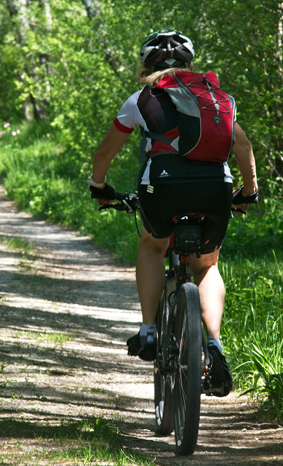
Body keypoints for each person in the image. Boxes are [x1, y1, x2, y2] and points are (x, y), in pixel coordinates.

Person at [88, 30, 259, 396]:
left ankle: (149, 331)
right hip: (215, 188)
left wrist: (99, 188)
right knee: (207, 266)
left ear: (146, 65)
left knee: (152, 244)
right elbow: (242, 144)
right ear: (189, 64)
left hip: (162, 188)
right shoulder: (215, 97)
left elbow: (104, 154)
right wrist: (248, 192)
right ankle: (214, 344)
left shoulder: (141, 99)